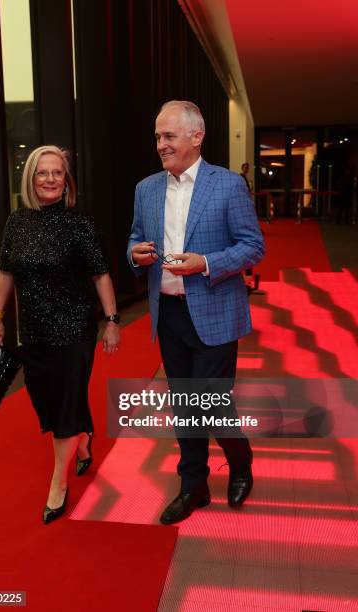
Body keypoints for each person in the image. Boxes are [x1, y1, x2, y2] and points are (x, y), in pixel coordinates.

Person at [127, 101, 265, 525]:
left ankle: (240, 461)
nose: (161, 145)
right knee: (185, 406)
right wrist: (136, 254)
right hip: (168, 314)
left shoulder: (226, 185)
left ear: (196, 136)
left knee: (210, 405)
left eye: (168, 136)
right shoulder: (146, 188)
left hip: (215, 311)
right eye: (157, 137)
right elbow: (134, 238)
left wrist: (204, 263)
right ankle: (193, 486)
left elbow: (252, 246)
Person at [0, 145, 121, 524]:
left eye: (57, 173)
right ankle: (82, 437)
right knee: (45, 400)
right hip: (33, 333)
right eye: (42, 173)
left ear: (66, 181)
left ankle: (58, 483)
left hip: (75, 330)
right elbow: (5, 273)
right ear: (31, 179)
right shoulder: (16, 222)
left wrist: (111, 320)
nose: (50, 179)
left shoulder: (80, 224)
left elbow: (100, 275)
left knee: (66, 400)